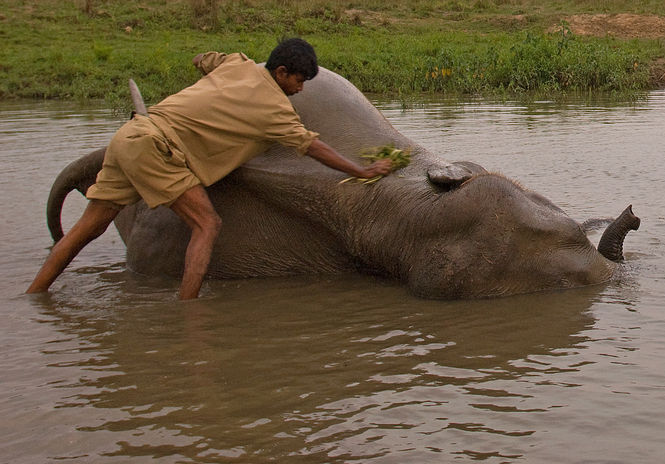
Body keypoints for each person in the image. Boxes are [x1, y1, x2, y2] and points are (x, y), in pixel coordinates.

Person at [27, 38, 395, 300]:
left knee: (85, 231)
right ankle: (189, 310)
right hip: (159, 149)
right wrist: (361, 171)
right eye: (298, 81)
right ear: (281, 73)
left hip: (131, 135)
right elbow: (313, 147)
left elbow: (201, 59)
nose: (299, 90)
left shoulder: (236, 62)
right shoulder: (276, 111)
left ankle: (35, 294)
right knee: (207, 223)